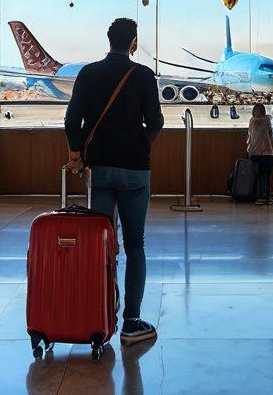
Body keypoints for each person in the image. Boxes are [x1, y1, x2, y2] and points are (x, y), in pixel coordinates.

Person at [64, 18, 163, 347]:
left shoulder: (88, 73)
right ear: (133, 42)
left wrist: (78, 151)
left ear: (109, 40)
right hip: (135, 169)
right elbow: (156, 120)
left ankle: (99, 315)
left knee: (101, 245)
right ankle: (131, 323)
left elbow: (71, 119)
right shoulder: (144, 75)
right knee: (136, 246)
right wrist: (142, 143)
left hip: (101, 168)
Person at [245, 102, 273, 206]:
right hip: (267, 152)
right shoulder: (267, 120)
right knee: (266, 176)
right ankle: (266, 197)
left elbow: (249, 137)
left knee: (256, 176)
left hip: (253, 153)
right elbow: (272, 136)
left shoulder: (251, 121)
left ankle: (256, 196)